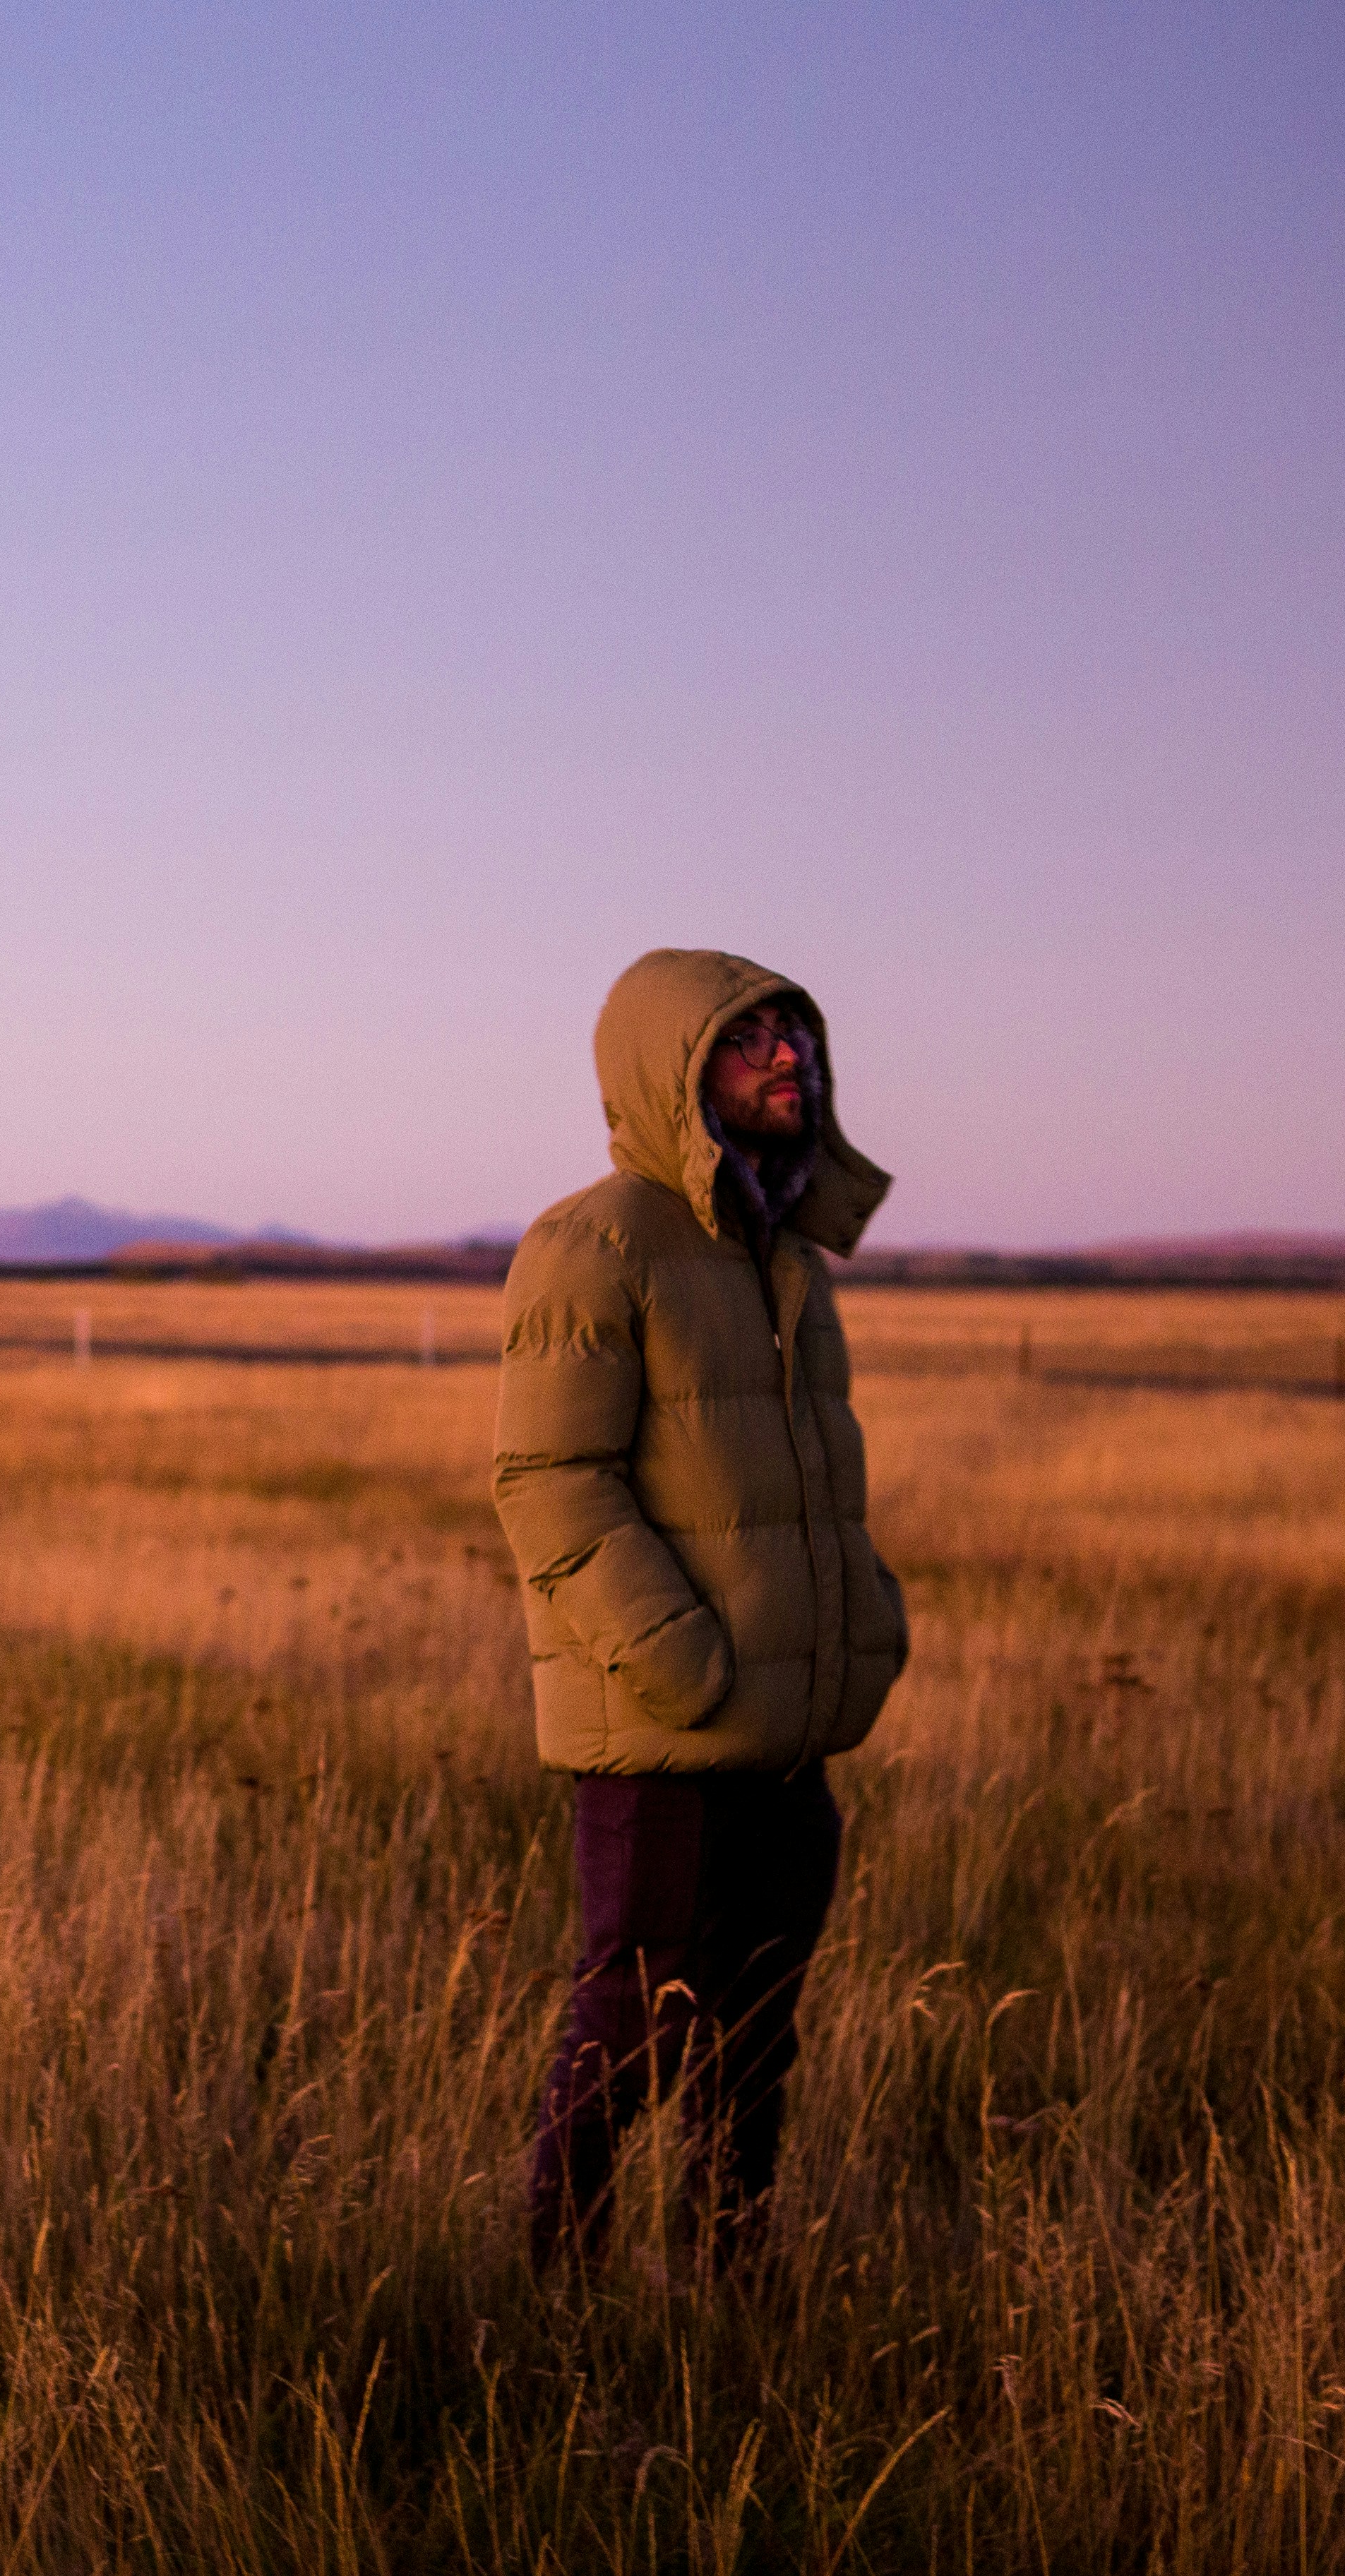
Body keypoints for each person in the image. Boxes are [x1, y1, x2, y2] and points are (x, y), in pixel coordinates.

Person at [491, 947, 909, 2274]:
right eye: (751, 1042)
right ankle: (552, 2303)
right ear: (674, 1074)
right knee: (632, 2022)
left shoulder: (787, 1261)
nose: (791, 1060)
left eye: (797, 1038)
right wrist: (684, 1661)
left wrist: (865, 1626)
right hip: (664, 1731)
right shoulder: (596, 1242)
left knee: (757, 2033)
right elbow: (551, 1483)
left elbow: (804, 1490)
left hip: (787, 1733)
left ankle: (730, 2287)